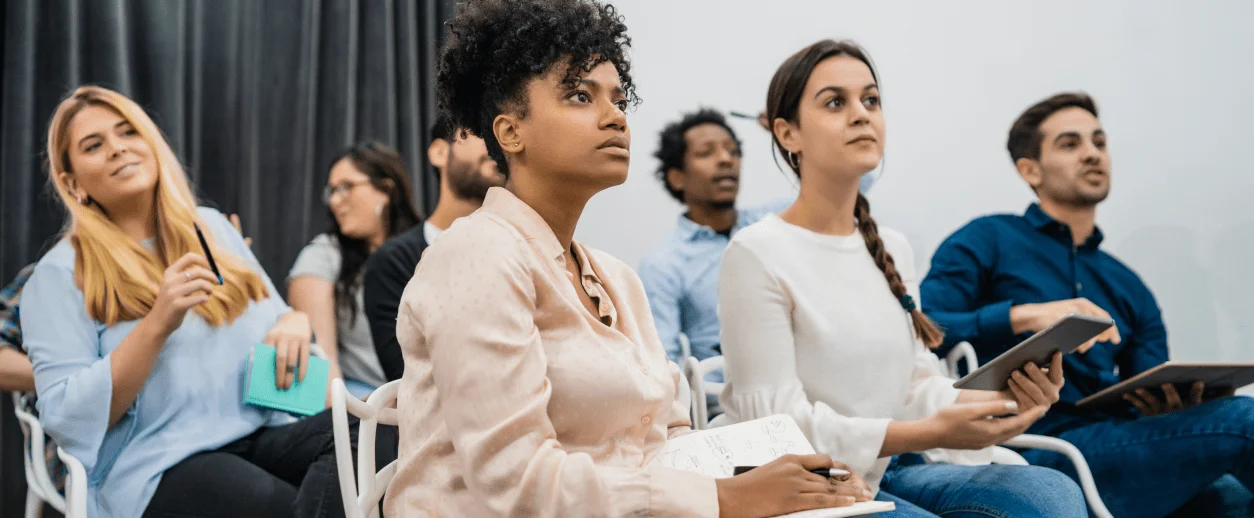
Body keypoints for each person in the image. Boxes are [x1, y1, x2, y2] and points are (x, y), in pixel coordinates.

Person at [384, 1, 871, 516]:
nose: (616, 116)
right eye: (580, 95)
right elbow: (517, 482)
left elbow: (668, 439)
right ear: (510, 133)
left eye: (619, 99)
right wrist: (727, 497)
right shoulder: (476, 256)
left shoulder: (617, 279)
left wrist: (786, 477)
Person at [717, 40, 1088, 517]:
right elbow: (776, 425)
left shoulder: (890, 247)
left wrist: (1001, 400)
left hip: (887, 465)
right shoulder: (755, 253)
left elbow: (914, 385)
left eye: (871, 100)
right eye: (835, 102)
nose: (861, 114)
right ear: (788, 134)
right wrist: (927, 433)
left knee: (1051, 495)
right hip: (807, 485)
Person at [22, 85, 351, 518]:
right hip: (158, 461)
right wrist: (157, 323)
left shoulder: (210, 228)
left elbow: (278, 316)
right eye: (93, 145)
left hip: (258, 432)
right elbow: (66, 417)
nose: (118, 148)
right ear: (72, 183)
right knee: (284, 506)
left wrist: (295, 321)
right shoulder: (58, 275)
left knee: (371, 437)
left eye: (128, 132)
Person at [921, 91, 1254, 518]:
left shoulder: (1128, 285)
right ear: (1030, 170)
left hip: (1122, 446)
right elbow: (923, 328)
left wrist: (1177, 404)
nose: (1092, 153)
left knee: (1235, 496)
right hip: (1026, 445)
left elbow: (1146, 382)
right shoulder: (987, 239)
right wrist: (1024, 316)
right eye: (1070, 144)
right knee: (1243, 421)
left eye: (1099, 141)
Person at [363, 116, 501, 382]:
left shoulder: (526, 249)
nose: (498, 145)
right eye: (482, 131)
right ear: (439, 152)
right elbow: (408, 376)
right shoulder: (394, 261)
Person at [288, 141, 422, 397]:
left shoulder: (426, 249)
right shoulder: (323, 255)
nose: (335, 201)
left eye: (346, 187)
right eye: (332, 191)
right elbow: (323, 363)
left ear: (386, 190)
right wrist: (352, 416)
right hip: (363, 405)